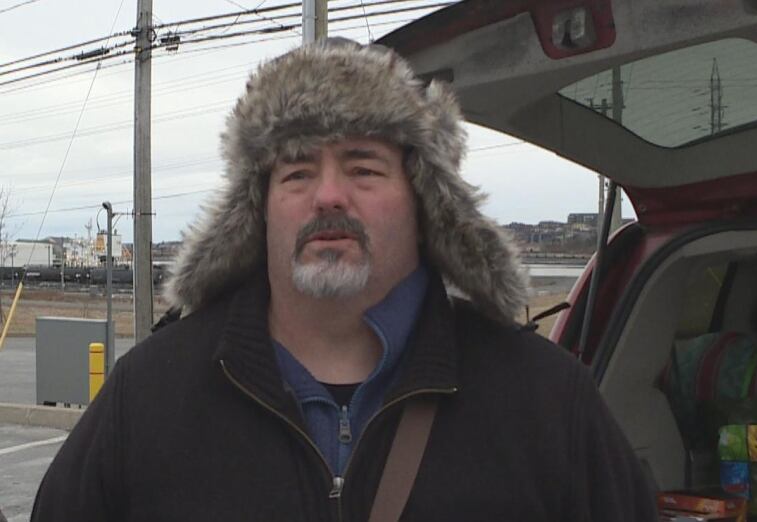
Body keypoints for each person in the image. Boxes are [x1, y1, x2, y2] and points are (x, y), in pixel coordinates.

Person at [32, 38, 656, 521]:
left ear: (425, 203)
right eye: (297, 172)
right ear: (258, 211)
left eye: (364, 168)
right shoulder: (147, 396)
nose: (329, 194)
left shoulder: (546, 402)